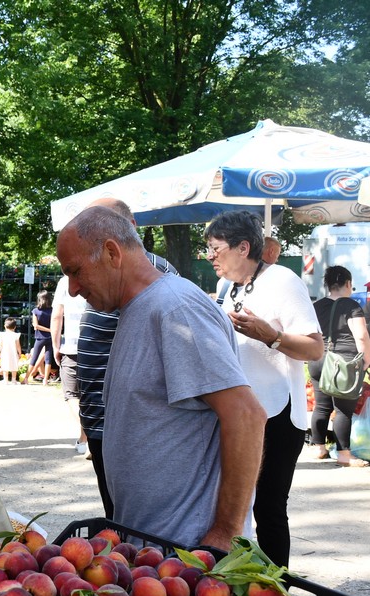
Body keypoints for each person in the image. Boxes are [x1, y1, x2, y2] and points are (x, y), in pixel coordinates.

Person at [57, 205, 266, 549]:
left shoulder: (176, 309)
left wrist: (225, 533)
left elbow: (246, 415)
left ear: (112, 252)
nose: (74, 288)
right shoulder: (138, 308)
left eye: (76, 271)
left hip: (187, 553)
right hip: (153, 549)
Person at [205, 210, 324, 567]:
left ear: (243, 248)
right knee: (232, 505)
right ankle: (242, 588)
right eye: (207, 248)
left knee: (269, 507)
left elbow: (315, 347)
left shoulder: (283, 280)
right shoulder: (228, 288)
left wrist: (270, 336)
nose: (210, 256)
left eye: (215, 248)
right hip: (240, 413)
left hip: (277, 413)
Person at [66, 198, 177, 518]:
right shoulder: (105, 274)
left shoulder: (153, 273)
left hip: (124, 424)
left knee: (132, 524)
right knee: (118, 519)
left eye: (103, 226)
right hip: (103, 419)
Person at [309, 266, 370, 467]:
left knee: (321, 406)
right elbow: (361, 335)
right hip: (342, 362)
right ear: (348, 283)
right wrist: (366, 359)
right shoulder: (351, 305)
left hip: (318, 359)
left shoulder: (317, 306)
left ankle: (319, 448)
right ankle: (344, 454)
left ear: (327, 285)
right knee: (343, 409)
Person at [50, 276, 88, 455]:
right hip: (96, 345)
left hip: (72, 346)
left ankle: (86, 434)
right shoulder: (99, 272)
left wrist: (56, 345)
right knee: (91, 394)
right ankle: (86, 438)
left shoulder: (65, 281)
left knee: (72, 394)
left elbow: (57, 316)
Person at [23, 289, 54, 386]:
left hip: (40, 337)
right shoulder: (52, 310)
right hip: (50, 338)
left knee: (34, 358)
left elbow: (36, 326)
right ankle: (45, 379)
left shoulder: (36, 311)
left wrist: (48, 330)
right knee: (48, 359)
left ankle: (26, 378)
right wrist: (51, 331)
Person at [0, 317, 22, 383]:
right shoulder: (16, 335)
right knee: (14, 366)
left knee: (5, 366)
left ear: (5, 326)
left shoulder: (3, 335)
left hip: (5, 353)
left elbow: (0, 344)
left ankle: (5, 380)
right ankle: (13, 380)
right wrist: (20, 353)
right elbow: (18, 345)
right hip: (14, 353)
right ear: (15, 327)